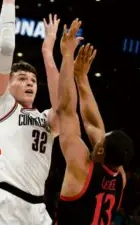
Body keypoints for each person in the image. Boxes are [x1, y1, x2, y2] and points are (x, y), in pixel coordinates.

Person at [0, 0, 59, 225]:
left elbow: (64, 107)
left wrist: (48, 53)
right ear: (7, 85)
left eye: (33, 80)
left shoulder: (47, 119)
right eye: (22, 79)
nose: (29, 83)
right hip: (2, 200)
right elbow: (6, 48)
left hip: (37, 209)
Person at [56, 21, 134, 225]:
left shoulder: (81, 168)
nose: (99, 136)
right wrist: (81, 78)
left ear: (100, 151)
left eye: (102, 140)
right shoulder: (120, 178)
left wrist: (66, 55)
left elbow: (67, 112)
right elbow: (94, 125)